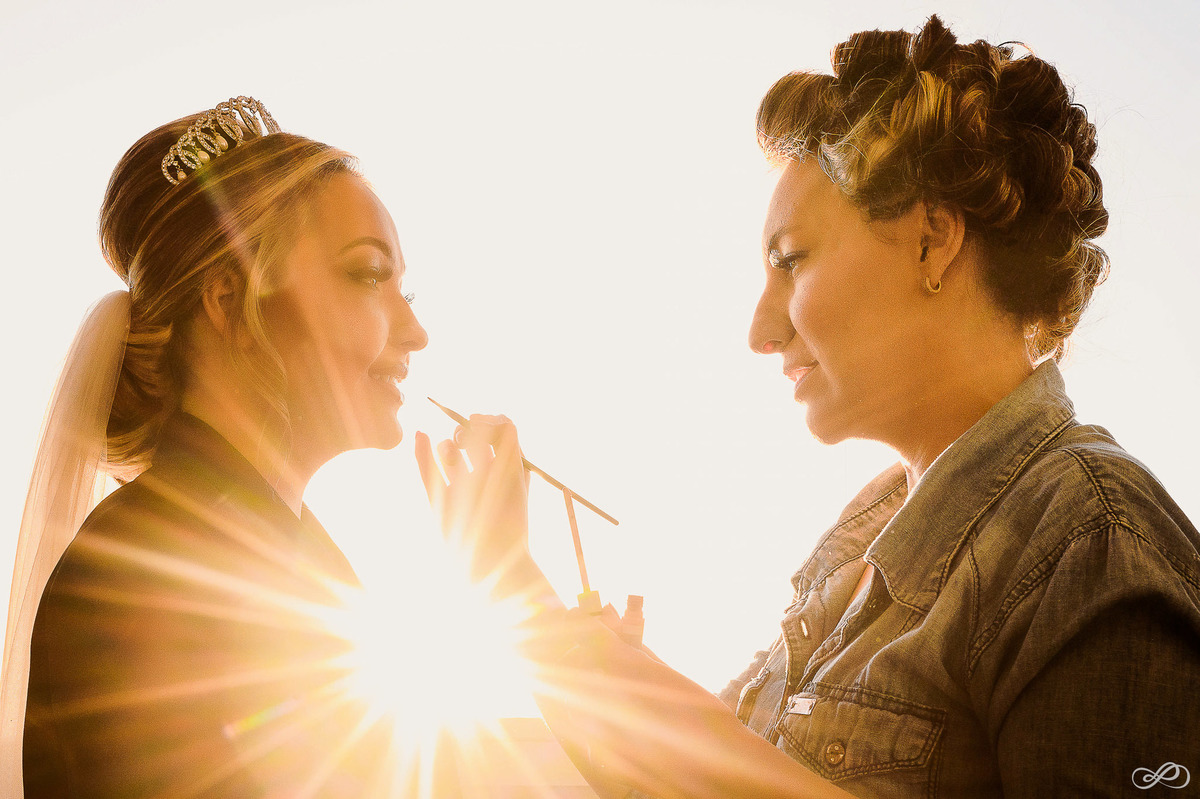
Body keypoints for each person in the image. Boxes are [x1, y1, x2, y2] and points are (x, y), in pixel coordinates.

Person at [416, 16, 1200, 798]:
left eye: (791, 261)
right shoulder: (853, 552)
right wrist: (593, 666)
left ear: (932, 239)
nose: (760, 330)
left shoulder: (1090, 538)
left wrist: (534, 612)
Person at [1, 97, 429, 798]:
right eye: (366, 275)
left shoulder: (290, 560)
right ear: (231, 302)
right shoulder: (153, 575)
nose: (415, 331)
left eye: (407, 290)